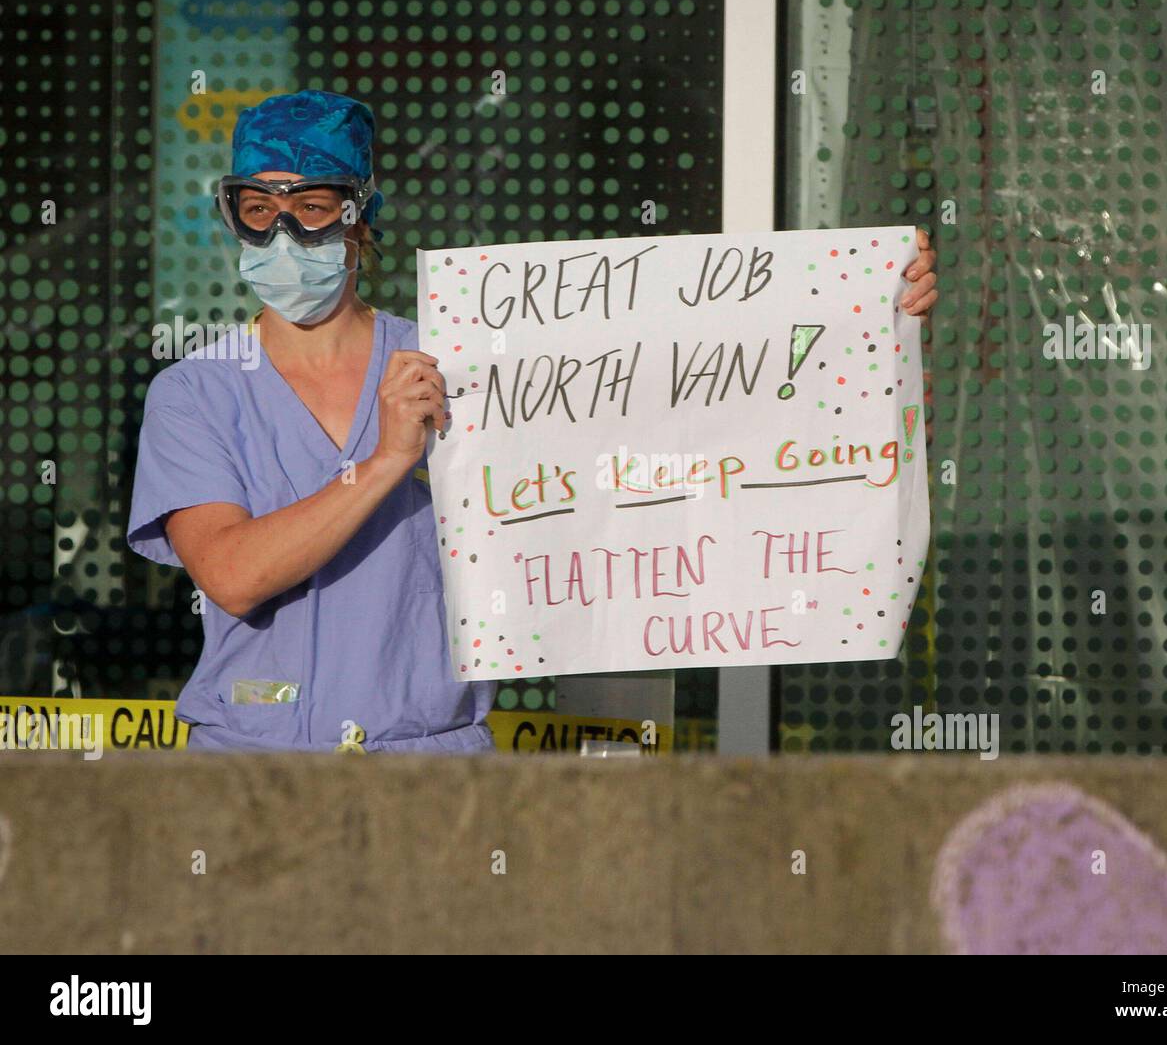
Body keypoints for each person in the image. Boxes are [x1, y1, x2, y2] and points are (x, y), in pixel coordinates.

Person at [127, 89, 939, 753]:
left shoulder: (459, 361)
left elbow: (682, 431)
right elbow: (231, 576)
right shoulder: (197, 391)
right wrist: (381, 464)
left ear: (357, 217)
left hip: (428, 762)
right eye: (257, 208)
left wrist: (867, 339)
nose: (285, 231)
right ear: (230, 215)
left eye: (311, 205)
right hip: (248, 765)